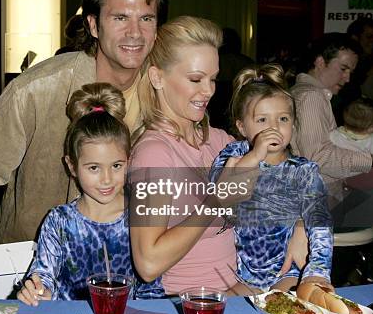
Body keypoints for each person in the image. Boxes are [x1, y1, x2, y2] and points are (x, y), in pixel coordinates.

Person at [0, 0, 169, 243]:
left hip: (128, 266)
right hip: (37, 267)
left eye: (146, 18)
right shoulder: (39, 89)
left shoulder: (166, 95)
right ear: (94, 25)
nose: (135, 32)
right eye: (120, 18)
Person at [128, 16, 308, 294]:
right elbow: (148, 263)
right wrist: (217, 200)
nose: (209, 90)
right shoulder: (154, 153)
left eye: (212, 79)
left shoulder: (219, 141)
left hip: (238, 293)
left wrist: (299, 225)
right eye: (196, 79)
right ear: (157, 77)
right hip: (185, 305)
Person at [17, 83, 164, 305]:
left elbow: (152, 289)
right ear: (72, 166)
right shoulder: (59, 221)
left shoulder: (140, 215)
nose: (106, 179)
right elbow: (44, 275)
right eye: (94, 168)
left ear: (129, 162)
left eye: (116, 166)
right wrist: (39, 290)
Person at [210, 63, 333, 293]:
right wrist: (255, 156)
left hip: (289, 273)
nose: (274, 127)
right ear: (242, 127)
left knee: (284, 305)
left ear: (294, 124)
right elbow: (218, 199)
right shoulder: (233, 156)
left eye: (283, 119)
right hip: (244, 276)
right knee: (223, 309)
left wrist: (317, 271)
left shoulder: (303, 171)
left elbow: (320, 222)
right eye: (262, 120)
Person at [290, 33, 372, 202]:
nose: (347, 78)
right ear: (320, 62)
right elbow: (318, 157)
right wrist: (369, 160)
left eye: (350, 72)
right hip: (319, 200)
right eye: (343, 69)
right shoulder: (311, 97)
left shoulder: (306, 93)